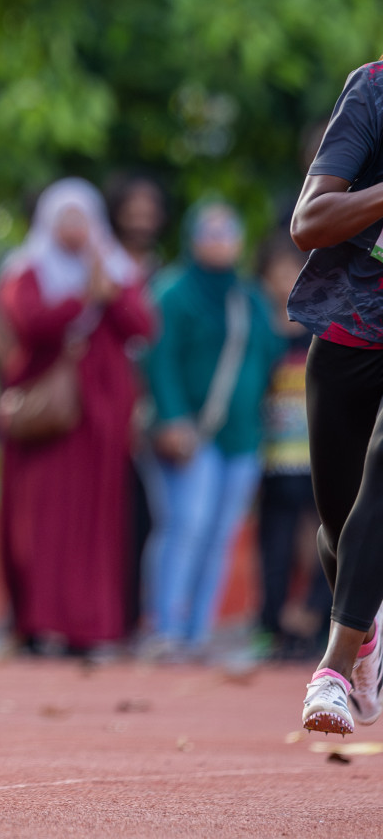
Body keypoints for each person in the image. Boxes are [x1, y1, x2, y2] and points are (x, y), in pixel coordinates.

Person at [0, 179, 153, 656]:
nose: (74, 229)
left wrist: (110, 292)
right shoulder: (27, 269)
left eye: (81, 218)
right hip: (50, 422)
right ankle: (41, 623)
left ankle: (90, 625)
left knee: (95, 527)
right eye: (64, 218)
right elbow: (29, 323)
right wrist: (84, 297)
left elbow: (143, 326)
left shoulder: (115, 268)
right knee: (42, 525)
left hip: (101, 423)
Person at [287, 60, 383, 734]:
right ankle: (369, 636)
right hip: (351, 325)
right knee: (338, 527)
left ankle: (333, 670)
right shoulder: (373, 90)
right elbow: (309, 221)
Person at [143, 202, 282, 660]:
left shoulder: (248, 297)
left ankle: (198, 631)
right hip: (191, 435)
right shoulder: (173, 293)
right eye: (211, 232)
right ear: (193, 238)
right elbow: (159, 360)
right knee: (187, 524)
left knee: (221, 534)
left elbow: (271, 351)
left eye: (228, 232)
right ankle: (166, 627)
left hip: (242, 437)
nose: (220, 242)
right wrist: (172, 418)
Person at [253, 231, 330, 661]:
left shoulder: (322, 321)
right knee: (275, 541)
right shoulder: (256, 327)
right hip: (270, 456)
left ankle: (315, 617)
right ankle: (272, 621)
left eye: (292, 270)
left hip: (317, 455)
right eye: (277, 272)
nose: (285, 280)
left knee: (323, 536)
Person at [104, 174, 169, 639]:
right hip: (105, 401)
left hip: (150, 403)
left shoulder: (163, 273)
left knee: (147, 515)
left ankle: (135, 614)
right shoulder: (101, 263)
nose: (141, 216)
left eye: (149, 208)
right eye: (134, 206)